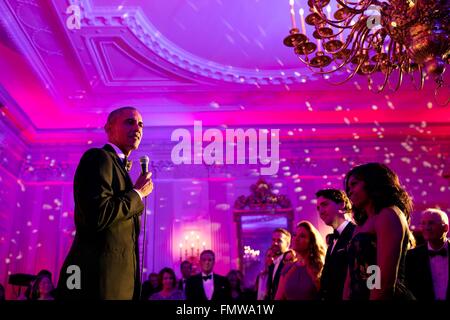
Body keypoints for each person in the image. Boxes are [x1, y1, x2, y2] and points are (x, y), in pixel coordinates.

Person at [57, 107, 154, 300]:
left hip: (116, 283)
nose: (137, 128)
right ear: (109, 128)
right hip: (96, 282)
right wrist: (137, 193)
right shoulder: (98, 157)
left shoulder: (119, 167)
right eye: (130, 122)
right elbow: (97, 216)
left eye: (141, 124)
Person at [343, 163, 415, 300]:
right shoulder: (361, 224)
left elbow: (383, 280)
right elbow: (351, 275)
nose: (349, 191)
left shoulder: (388, 214)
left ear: (372, 182)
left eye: (354, 184)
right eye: (348, 187)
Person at [316, 189, 355, 300]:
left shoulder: (355, 233)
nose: (321, 212)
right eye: (318, 208)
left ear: (341, 205)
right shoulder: (332, 240)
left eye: (324, 205)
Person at [275, 221, 325, 300]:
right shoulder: (287, 268)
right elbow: (279, 297)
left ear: (311, 242)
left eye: (302, 236)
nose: (296, 239)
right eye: (295, 235)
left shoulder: (319, 267)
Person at [406, 208, 449, 300]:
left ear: (445, 228)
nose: (426, 227)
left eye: (431, 223)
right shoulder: (411, 257)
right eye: (423, 223)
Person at [266, 228, 291, 300]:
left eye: (279, 240)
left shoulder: (289, 261)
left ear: (287, 244)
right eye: (273, 240)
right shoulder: (273, 263)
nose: (275, 243)